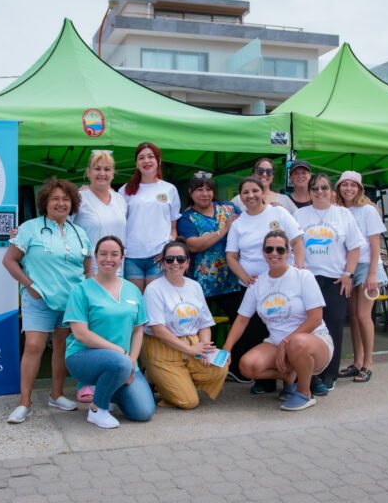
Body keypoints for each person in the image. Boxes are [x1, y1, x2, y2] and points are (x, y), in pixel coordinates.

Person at [2, 177, 92, 424]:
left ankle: (56, 394)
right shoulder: (29, 228)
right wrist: (29, 286)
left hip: (70, 301)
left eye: (65, 199)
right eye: (55, 199)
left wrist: (87, 295)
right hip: (38, 298)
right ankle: (24, 402)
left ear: (72, 203)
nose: (61, 203)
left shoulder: (80, 233)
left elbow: (88, 269)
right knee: (33, 346)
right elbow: (9, 260)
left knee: (61, 347)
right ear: (45, 202)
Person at [222, 230, 333, 411]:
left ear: (289, 252)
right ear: (263, 252)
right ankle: (289, 376)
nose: (274, 253)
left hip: (313, 341)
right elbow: (242, 319)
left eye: (280, 250)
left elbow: (315, 318)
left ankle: (304, 393)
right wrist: (226, 349)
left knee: (297, 343)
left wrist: (286, 341)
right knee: (247, 366)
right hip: (276, 344)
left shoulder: (303, 277)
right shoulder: (257, 284)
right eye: (269, 249)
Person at [64, 236, 155, 429]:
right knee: (118, 362)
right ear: (95, 257)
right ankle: (98, 410)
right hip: (82, 357)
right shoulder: (81, 290)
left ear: (122, 257)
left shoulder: (132, 290)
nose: (109, 258)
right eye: (103, 254)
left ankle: (108, 388)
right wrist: (120, 353)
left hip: (122, 363)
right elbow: (81, 334)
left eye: (114, 254)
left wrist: (131, 361)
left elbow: (138, 330)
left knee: (143, 412)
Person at [225, 176, 304, 392]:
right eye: (245, 192)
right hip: (253, 287)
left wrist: (299, 267)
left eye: (254, 191)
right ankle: (265, 382)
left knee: (288, 327)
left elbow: (297, 241)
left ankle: (302, 378)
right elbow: (231, 255)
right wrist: (245, 276)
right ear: (240, 197)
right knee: (255, 333)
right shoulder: (239, 223)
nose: (250, 196)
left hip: (284, 283)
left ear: (263, 192)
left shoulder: (278, 212)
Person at [294, 173, 364, 394]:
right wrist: (299, 268)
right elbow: (294, 243)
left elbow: (354, 247)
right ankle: (309, 373)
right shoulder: (300, 214)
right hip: (309, 280)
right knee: (309, 327)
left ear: (331, 190)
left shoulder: (342, 214)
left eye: (324, 187)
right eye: (315, 188)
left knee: (334, 326)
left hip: (335, 280)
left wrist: (348, 274)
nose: (319, 192)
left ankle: (330, 374)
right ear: (310, 191)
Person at [141, 240, 228, 409]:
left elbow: (204, 323)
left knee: (220, 367)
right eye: (170, 259)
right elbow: (157, 329)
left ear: (187, 263)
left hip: (192, 342)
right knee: (189, 402)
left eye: (180, 259)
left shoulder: (195, 286)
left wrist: (203, 347)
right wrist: (189, 349)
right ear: (163, 263)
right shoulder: (154, 289)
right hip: (162, 345)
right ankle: (160, 379)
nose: (175, 263)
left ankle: (165, 379)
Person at [72, 149, 127, 404]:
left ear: (113, 173)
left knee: (113, 324)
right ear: (88, 172)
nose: (102, 173)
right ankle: (86, 380)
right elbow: (63, 226)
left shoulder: (120, 199)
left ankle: (115, 373)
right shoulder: (79, 198)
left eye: (107, 169)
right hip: (90, 272)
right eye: (97, 168)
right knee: (92, 325)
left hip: (117, 270)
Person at [335, 171, 388, 383]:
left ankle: (368, 363)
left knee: (364, 316)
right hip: (350, 267)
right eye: (344, 185)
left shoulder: (368, 210)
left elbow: (375, 243)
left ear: (359, 188)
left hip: (367, 266)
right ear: (339, 188)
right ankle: (357, 362)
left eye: (353, 185)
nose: (348, 188)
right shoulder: (340, 211)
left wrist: (373, 274)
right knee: (355, 317)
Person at [177, 173, 242, 324]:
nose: (205, 194)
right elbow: (194, 245)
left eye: (209, 189)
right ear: (190, 192)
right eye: (199, 189)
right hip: (202, 285)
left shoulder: (229, 208)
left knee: (240, 325)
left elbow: (250, 222)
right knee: (199, 325)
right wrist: (224, 229)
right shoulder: (187, 217)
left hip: (233, 281)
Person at [119, 141, 181, 293]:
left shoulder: (169, 189)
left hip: (158, 257)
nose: (146, 161)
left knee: (155, 302)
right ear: (136, 163)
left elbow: (173, 227)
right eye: (141, 158)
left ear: (158, 161)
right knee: (135, 303)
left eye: (150, 157)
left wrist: (167, 250)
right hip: (131, 257)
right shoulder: (125, 190)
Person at [232, 158, 298, 214]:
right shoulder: (239, 199)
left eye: (269, 171)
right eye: (260, 171)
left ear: (272, 176)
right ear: (253, 174)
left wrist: (283, 212)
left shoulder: (284, 199)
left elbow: (299, 221)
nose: (264, 174)